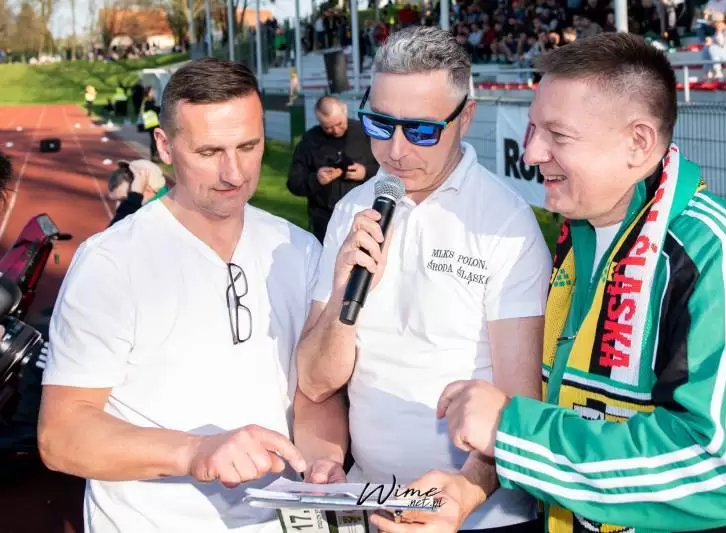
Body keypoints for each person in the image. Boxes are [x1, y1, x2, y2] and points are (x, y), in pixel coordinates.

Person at [401, 33, 726, 533]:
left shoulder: (723, 257)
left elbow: (719, 471)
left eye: (558, 134)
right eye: (532, 127)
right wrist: (469, 487)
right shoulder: (580, 239)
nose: (532, 151)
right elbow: (566, 414)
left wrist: (510, 430)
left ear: (638, 143)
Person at [38, 57, 317, 533]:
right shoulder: (111, 263)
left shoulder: (299, 247)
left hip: (280, 522)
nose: (234, 172)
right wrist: (196, 452)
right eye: (209, 152)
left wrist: (323, 458)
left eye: (248, 146)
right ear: (164, 146)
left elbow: (313, 392)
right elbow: (60, 435)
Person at [293, 26, 551, 533]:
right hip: (370, 501)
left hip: (480, 517)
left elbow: (521, 405)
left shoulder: (505, 224)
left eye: (422, 131)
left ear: (465, 118)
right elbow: (316, 382)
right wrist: (346, 291)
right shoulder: (351, 211)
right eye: (379, 123)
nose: (395, 150)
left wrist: (462, 494)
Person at [287, 94, 379, 243]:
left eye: (339, 123)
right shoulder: (309, 141)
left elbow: (388, 171)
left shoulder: (366, 133)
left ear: (345, 110)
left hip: (362, 215)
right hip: (324, 220)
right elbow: (294, 182)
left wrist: (365, 172)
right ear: (318, 121)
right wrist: (316, 179)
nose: (335, 130)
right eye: (328, 128)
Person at [106, 159, 171, 227]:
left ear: (147, 189)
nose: (120, 206)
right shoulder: (163, 203)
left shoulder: (154, 220)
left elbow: (115, 230)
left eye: (125, 200)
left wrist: (133, 200)